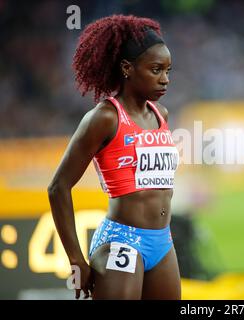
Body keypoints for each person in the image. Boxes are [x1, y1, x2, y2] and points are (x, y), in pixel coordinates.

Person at [47, 14, 180, 300]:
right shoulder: (104, 118)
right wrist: (75, 260)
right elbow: (58, 187)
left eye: (168, 70)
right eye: (156, 70)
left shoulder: (161, 115)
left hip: (163, 241)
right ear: (127, 68)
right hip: (123, 242)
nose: (165, 79)